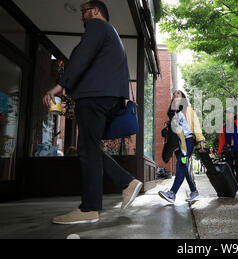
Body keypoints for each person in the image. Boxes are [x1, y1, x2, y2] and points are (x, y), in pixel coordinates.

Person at [43, 1, 142, 224]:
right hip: (108, 97)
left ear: (95, 12)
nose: (82, 17)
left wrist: (61, 85)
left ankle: (92, 207)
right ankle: (124, 184)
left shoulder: (98, 27)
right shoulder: (112, 35)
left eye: (83, 12)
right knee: (89, 148)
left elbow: (82, 56)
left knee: (87, 149)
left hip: (95, 97)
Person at [158, 90, 205, 203]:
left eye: (178, 94)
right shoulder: (173, 113)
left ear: (183, 97)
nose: (175, 96)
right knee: (185, 168)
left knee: (181, 165)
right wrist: (166, 130)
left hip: (187, 142)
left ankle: (172, 193)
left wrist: (201, 139)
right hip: (177, 144)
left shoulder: (188, 110)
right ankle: (194, 192)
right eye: (174, 95)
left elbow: (196, 125)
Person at [217, 107, 238, 196]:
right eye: (227, 113)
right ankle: (233, 187)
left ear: (234, 114)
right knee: (230, 170)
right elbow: (222, 140)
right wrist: (219, 152)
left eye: (229, 113)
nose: (228, 115)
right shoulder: (224, 126)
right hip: (228, 150)